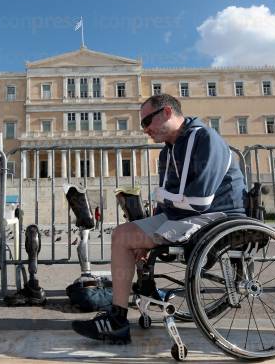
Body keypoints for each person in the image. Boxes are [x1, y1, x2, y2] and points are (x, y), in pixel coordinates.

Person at [72, 93, 246, 344]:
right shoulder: (168, 152)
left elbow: (200, 201)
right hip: (188, 215)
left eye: (146, 122)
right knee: (122, 235)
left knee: (136, 236)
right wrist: (147, 233)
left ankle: (129, 307)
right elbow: (165, 204)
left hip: (216, 217)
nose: (145, 130)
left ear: (166, 112)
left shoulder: (204, 138)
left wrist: (156, 231)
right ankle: (118, 318)